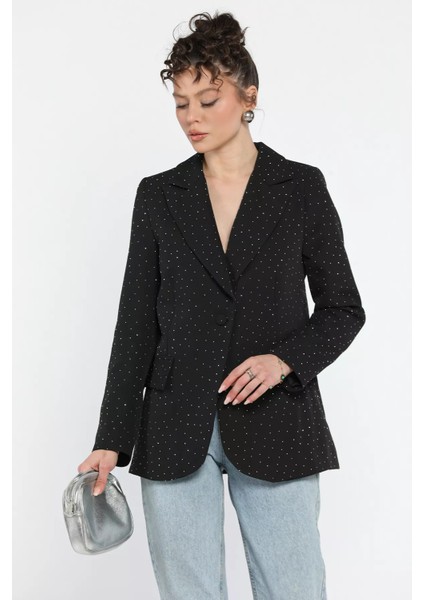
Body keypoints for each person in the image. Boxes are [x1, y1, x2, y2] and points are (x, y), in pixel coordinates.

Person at [78, 11, 366, 600]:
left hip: (277, 417)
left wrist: (283, 361)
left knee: (294, 588)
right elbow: (135, 324)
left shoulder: (300, 187)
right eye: (181, 103)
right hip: (173, 423)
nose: (192, 118)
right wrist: (111, 436)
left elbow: (343, 308)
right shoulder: (159, 195)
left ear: (248, 96)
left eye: (208, 101)